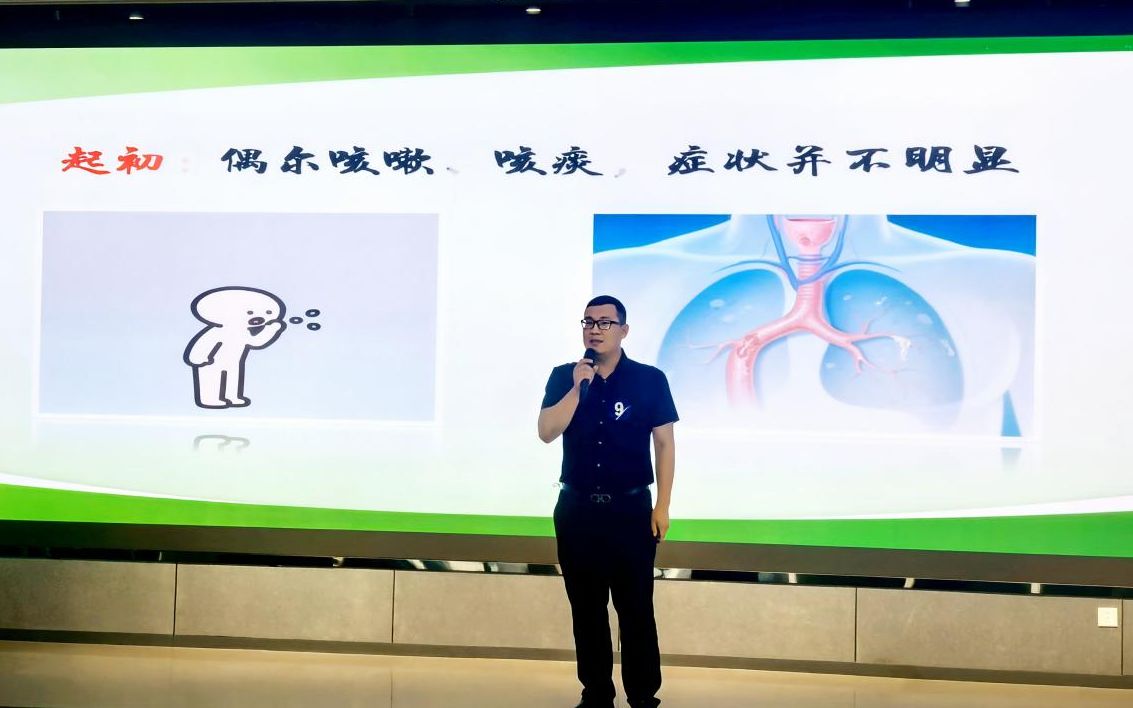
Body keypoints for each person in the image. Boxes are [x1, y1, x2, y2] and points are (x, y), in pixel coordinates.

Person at [538, 295, 678, 708]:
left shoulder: (649, 380)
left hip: (630, 510)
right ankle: (596, 692)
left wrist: (662, 505)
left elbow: (665, 443)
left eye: (604, 322)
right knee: (587, 609)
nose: (594, 329)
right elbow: (546, 431)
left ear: (623, 330)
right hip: (577, 510)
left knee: (636, 608)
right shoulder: (564, 376)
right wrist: (577, 388)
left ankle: (643, 695)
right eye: (588, 322)